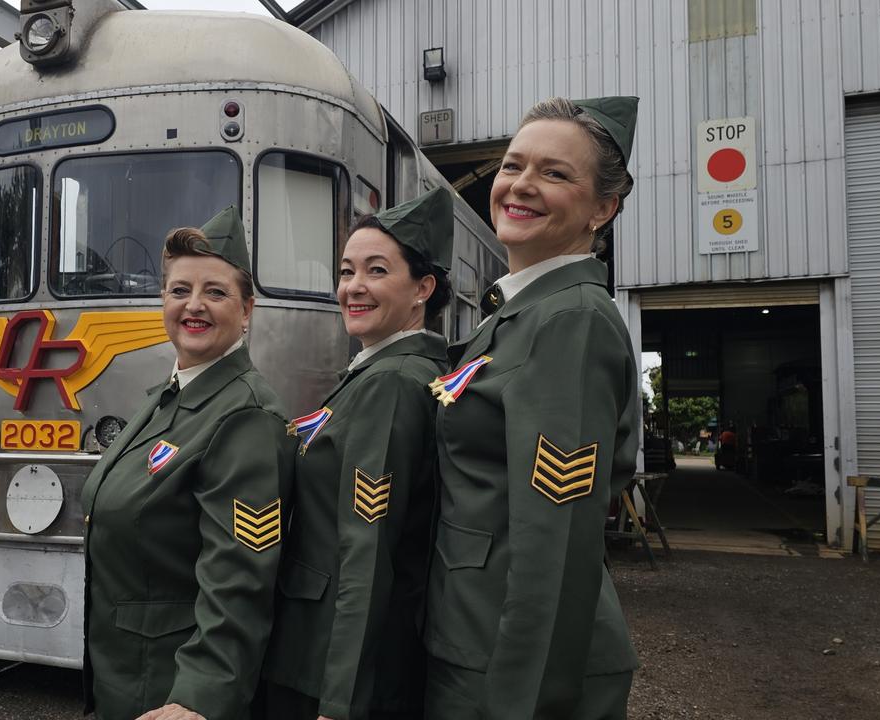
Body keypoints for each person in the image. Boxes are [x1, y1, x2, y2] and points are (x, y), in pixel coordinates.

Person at [424, 97, 643, 719]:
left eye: (555, 173)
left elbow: (557, 538)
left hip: (512, 666)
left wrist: (528, 699)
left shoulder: (570, 320)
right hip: (473, 638)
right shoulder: (520, 315)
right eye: (513, 165)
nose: (521, 185)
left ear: (603, 208)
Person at [80, 206, 294, 720]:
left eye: (215, 293)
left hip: (171, 690)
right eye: (180, 291)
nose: (193, 306)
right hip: (127, 676)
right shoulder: (168, 398)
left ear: (247, 310)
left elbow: (241, 577)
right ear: (163, 301)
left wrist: (200, 696)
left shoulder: (247, 416)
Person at [264, 188, 455, 720]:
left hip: (328, 661)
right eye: (347, 272)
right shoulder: (381, 372)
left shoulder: (390, 383)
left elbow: (368, 552)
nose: (354, 288)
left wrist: (341, 700)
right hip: (328, 651)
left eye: (375, 271)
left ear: (423, 288)